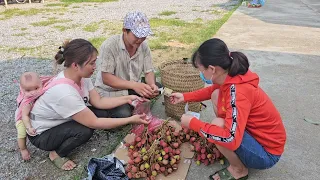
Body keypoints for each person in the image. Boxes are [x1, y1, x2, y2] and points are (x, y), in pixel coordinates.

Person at [170, 38, 286, 180]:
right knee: (216, 94)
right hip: (257, 137)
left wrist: (193, 123)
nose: (201, 75)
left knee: (218, 125)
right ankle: (232, 148)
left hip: (267, 153)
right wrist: (185, 96)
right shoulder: (230, 74)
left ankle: (239, 170)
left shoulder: (238, 93)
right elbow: (211, 90)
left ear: (212, 69)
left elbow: (230, 139)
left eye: (201, 70)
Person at [28, 39, 149, 171]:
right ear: (75, 65)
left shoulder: (82, 77)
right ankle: (56, 154)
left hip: (62, 118)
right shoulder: (64, 93)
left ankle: (110, 122)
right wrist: (131, 119)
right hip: (42, 134)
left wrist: (127, 98)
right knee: (85, 130)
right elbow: (94, 122)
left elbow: (99, 102)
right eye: (91, 63)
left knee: (105, 113)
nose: (95, 67)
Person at [95, 11, 162, 118]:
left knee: (157, 88)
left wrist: (151, 85)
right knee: (124, 113)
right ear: (125, 31)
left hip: (131, 87)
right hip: (111, 91)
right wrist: (135, 85)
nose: (140, 39)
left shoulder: (143, 46)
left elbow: (149, 71)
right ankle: (105, 110)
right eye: (137, 35)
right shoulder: (110, 46)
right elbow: (106, 78)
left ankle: (132, 101)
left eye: (144, 36)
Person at [15, 72, 42, 160]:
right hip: (22, 117)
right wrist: (29, 127)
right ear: (22, 90)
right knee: (22, 131)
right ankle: (23, 149)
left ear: (41, 82)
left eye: (36, 88)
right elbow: (25, 116)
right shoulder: (28, 102)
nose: (33, 92)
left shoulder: (40, 83)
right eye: (28, 90)